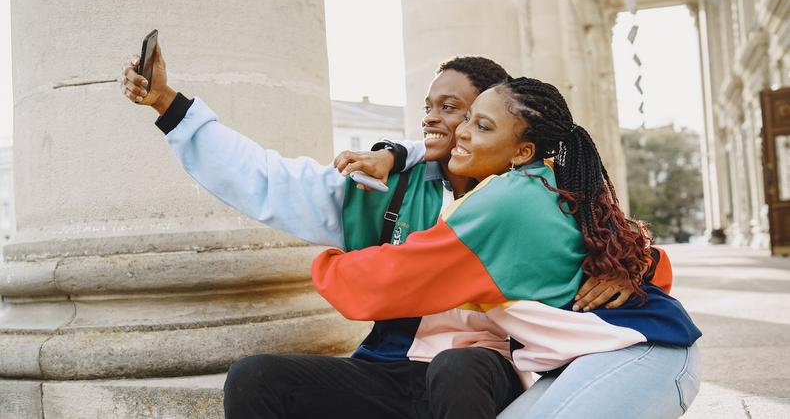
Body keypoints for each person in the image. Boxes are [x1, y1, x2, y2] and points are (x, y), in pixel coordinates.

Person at [121, 45, 638, 417]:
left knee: (457, 368)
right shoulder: (384, 185)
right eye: (429, 108)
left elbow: (611, 234)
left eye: (457, 111)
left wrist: (628, 271)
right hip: (388, 367)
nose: (435, 121)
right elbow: (268, 179)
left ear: (496, 121)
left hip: (481, 373)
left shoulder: (532, 199)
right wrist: (172, 108)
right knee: (257, 377)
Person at [311, 77, 702, 419]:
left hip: (644, 354)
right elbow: (652, 261)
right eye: (467, 119)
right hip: (594, 361)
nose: (462, 132)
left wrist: (327, 256)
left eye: (482, 126)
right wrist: (626, 273)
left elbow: (384, 284)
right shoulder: (548, 184)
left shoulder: (506, 199)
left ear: (521, 152)